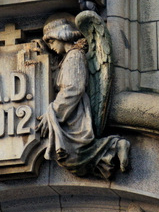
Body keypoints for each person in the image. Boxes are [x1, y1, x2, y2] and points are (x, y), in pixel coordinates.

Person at [38, 14, 129, 180]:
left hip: (75, 112)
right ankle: (110, 153)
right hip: (71, 112)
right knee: (72, 158)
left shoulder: (75, 56)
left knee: (75, 156)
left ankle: (115, 145)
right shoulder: (66, 58)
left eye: (51, 41)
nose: (50, 46)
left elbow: (75, 88)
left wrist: (54, 112)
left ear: (61, 35)